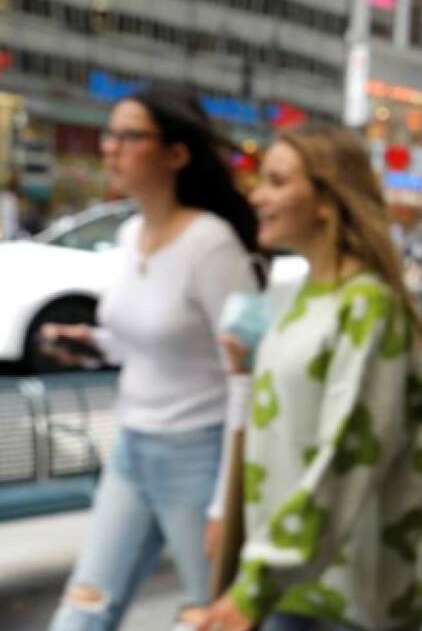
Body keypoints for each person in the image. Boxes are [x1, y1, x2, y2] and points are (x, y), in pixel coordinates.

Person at [198, 128, 422, 631]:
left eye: (277, 181)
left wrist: (256, 584)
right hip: (300, 586)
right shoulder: (309, 293)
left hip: (343, 601)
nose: (258, 195)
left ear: (328, 200)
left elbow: (350, 450)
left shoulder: (368, 304)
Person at [44, 84, 264, 631]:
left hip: (199, 455)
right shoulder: (129, 233)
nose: (110, 147)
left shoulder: (212, 244)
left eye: (129, 135)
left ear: (177, 154)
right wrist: (92, 343)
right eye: (109, 133)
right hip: (131, 450)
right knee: (82, 613)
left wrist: (223, 503)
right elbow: (147, 341)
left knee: (208, 615)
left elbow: (246, 373)